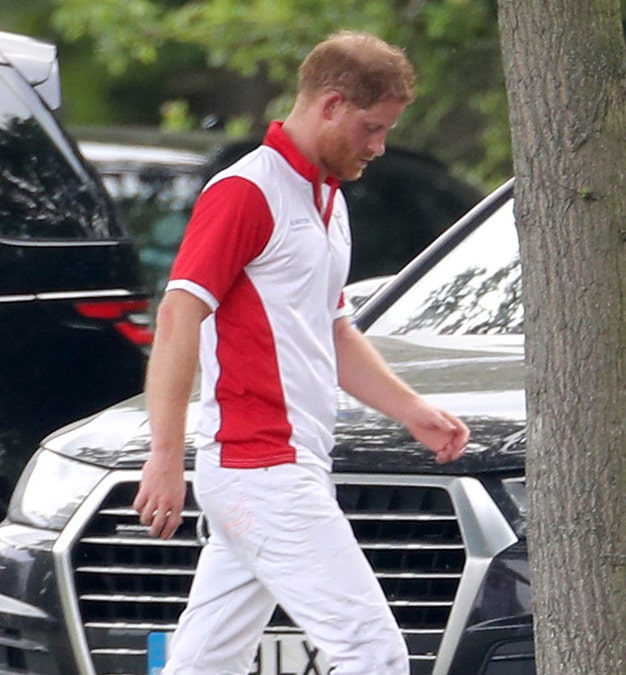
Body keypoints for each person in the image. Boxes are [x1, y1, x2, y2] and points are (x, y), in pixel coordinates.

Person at [133, 31, 470, 675]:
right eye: (372, 128)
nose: (379, 146)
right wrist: (165, 455)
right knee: (374, 654)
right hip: (263, 469)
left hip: (278, 468)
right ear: (332, 105)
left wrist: (410, 409)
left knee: (202, 664)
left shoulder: (326, 197)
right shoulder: (246, 191)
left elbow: (335, 331)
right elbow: (178, 315)